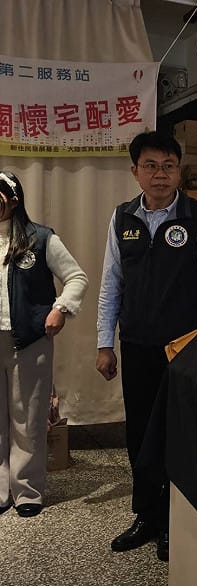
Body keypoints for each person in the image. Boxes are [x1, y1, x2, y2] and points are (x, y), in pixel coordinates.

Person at [96, 131, 197, 560]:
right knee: (139, 434)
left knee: (178, 434)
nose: (160, 174)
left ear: (178, 171)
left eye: (168, 166)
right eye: (150, 166)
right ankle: (146, 516)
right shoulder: (122, 219)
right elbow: (110, 285)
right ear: (135, 171)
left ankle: (175, 522)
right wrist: (104, 343)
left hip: (186, 350)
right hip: (136, 345)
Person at [0, 171, 87, 518]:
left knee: (28, 418)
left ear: (13, 202)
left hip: (29, 340)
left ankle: (27, 491)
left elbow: (76, 277)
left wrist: (60, 308)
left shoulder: (40, 238)